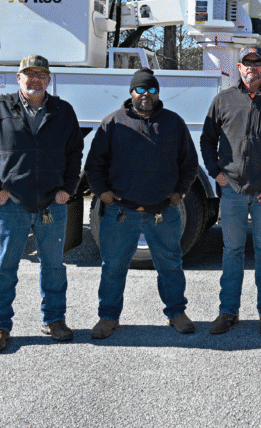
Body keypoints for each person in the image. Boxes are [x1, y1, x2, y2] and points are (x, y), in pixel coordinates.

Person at [0, 54, 84, 353]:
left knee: (54, 266)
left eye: (40, 74)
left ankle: (54, 319)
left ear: (49, 79)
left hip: (52, 203)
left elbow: (75, 153)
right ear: (18, 78)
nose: (34, 79)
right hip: (12, 203)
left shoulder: (63, 111)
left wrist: (67, 190)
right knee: (4, 268)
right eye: (28, 74)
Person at [84, 69, 199, 339]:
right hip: (121, 212)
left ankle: (176, 313)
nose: (146, 95)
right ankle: (108, 316)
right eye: (140, 90)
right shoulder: (112, 123)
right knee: (113, 267)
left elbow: (189, 164)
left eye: (151, 90)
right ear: (131, 93)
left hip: (163, 212)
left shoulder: (173, 123)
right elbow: (94, 165)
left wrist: (179, 193)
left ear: (158, 93)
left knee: (170, 264)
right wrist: (103, 193)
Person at [200, 46, 261, 336]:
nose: (252, 67)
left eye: (257, 62)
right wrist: (216, 172)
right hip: (232, 192)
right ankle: (228, 311)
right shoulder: (223, 101)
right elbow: (207, 140)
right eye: (246, 62)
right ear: (239, 68)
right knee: (232, 251)